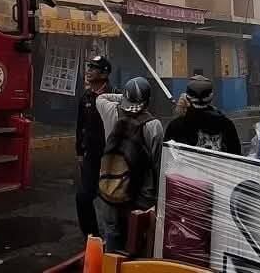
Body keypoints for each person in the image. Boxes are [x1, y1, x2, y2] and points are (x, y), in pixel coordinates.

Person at [95, 77, 164, 252]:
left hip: (110, 190)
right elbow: (157, 164)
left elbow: (100, 97)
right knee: (139, 242)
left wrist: (124, 98)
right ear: (148, 101)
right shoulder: (154, 126)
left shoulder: (109, 111)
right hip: (141, 197)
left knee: (112, 236)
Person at [74, 54, 111, 237]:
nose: (88, 71)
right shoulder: (86, 98)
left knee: (112, 198)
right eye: (88, 67)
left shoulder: (114, 98)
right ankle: (92, 237)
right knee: (83, 197)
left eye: (93, 68)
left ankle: (116, 238)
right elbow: (80, 127)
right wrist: (79, 151)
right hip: (91, 156)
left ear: (104, 73)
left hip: (110, 157)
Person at [165, 75, 242, 155]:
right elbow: (237, 156)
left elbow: (167, 158)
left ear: (187, 97)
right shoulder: (226, 124)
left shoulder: (175, 126)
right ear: (211, 97)